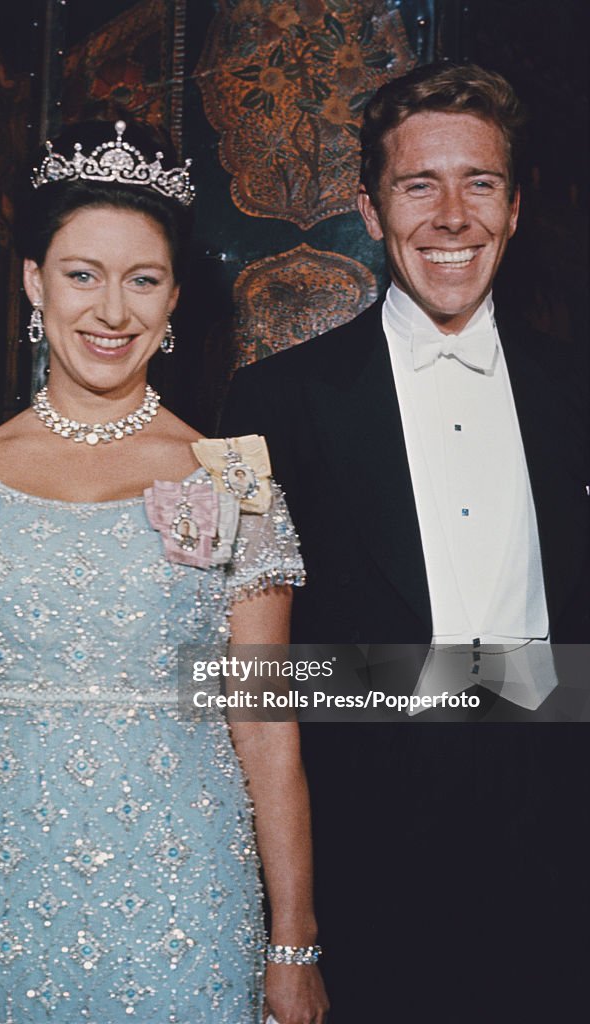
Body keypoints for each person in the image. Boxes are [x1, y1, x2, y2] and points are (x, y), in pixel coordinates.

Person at [0, 118, 328, 1024]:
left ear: (174, 301)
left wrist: (294, 942)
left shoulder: (233, 476)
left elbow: (267, 725)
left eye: (143, 280)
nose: (111, 310)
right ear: (34, 282)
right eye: (81, 274)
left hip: (188, 893)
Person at [221, 63, 589, 1022]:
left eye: (481, 183)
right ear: (371, 210)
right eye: (419, 185)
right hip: (362, 866)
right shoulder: (270, 405)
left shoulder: (576, 392)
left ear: (514, 207)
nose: (453, 215)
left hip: (559, 861)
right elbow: (248, 677)